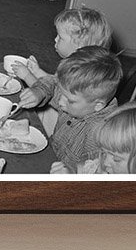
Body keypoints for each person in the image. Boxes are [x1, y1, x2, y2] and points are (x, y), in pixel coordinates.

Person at [17, 46, 121, 174]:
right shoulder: (78, 100)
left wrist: (72, 173)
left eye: (70, 100)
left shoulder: (100, 134)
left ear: (98, 105)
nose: (60, 102)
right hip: (50, 154)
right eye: (62, 94)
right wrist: (39, 91)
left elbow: (98, 172)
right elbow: (52, 83)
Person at [8, 5, 112, 89]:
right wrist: (37, 71)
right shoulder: (72, 64)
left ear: (79, 46)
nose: (55, 39)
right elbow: (55, 83)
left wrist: (27, 76)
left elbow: (52, 96)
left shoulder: (79, 73)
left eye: (60, 37)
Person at [78, 102, 136, 175]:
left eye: (116, 159)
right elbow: (91, 165)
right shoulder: (107, 166)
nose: (105, 162)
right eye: (103, 153)